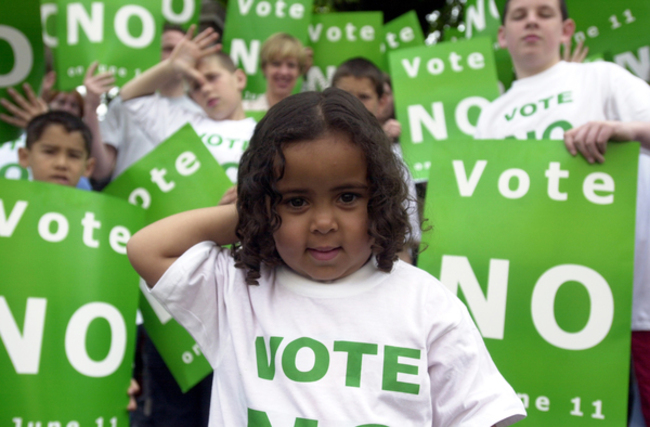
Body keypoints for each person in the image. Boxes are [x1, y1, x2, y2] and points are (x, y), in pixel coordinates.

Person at [126, 88, 527, 427]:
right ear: (265, 207)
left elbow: (487, 414)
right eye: (296, 201)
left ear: (381, 198)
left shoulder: (426, 303)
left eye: (347, 197)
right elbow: (147, 248)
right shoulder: (237, 289)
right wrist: (250, 211)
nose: (322, 222)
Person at [474, 0, 650, 424]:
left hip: (635, 305)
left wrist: (624, 130)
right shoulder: (489, 118)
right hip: (550, 316)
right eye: (518, 15)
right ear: (502, 36)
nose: (531, 20)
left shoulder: (602, 78)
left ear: (567, 28)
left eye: (544, 12)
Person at [119, 25, 255, 183]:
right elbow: (130, 96)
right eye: (196, 86)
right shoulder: (184, 125)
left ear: (239, 79)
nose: (205, 88)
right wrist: (170, 66)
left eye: (212, 77)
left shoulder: (265, 133)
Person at [332, 58, 421, 263]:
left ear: (381, 103)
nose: (353, 104)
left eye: (363, 97)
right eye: (345, 95)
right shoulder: (312, 154)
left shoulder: (396, 162)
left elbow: (402, 245)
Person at [95, 23, 205, 181]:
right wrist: (91, 107)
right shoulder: (124, 105)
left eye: (183, 50)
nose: (177, 55)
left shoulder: (201, 114)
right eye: (169, 49)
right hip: (124, 201)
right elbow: (100, 171)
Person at [18, 111, 95, 187]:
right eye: (49, 152)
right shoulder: (8, 198)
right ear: (25, 157)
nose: (61, 164)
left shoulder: (92, 200)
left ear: (88, 167)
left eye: (74, 156)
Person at [242, 32, 307, 111]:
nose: (284, 72)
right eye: (276, 64)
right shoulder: (244, 111)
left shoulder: (306, 115)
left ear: (299, 71)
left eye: (291, 65)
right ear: (264, 68)